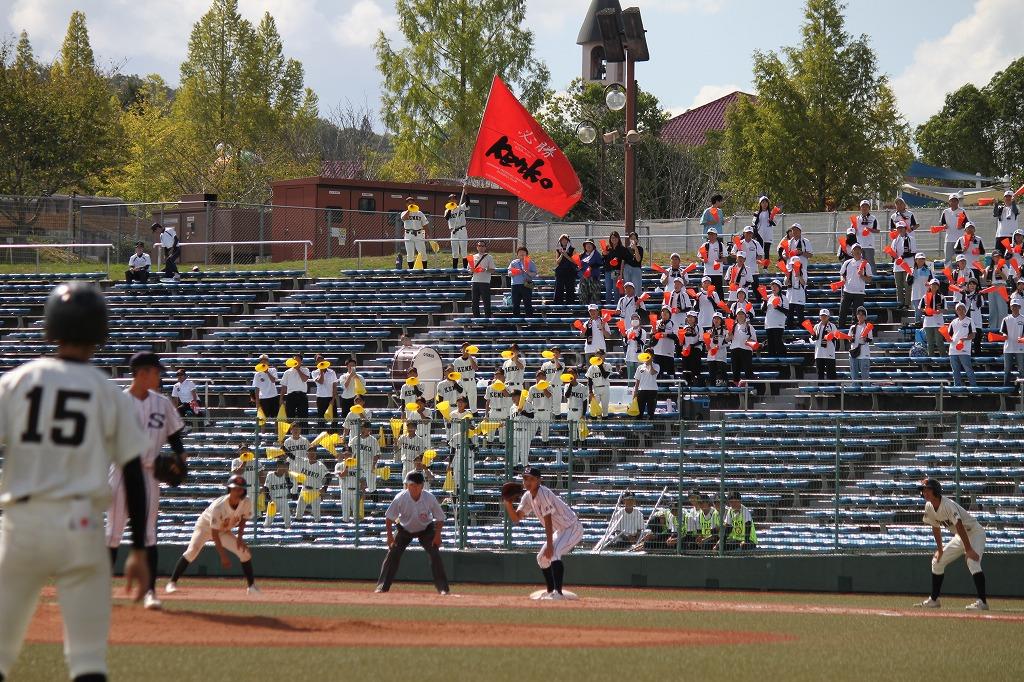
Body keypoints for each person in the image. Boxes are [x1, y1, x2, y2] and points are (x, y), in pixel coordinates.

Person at [0, 283, 150, 682]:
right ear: (100, 333)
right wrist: (137, 549)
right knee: (87, 664)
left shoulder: (18, 380)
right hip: (81, 525)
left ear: (51, 328)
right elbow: (133, 473)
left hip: (21, 524)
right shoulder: (110, 393)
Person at [105, 352, 186, 611]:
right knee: (113, 533)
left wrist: (181, 460)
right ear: (142, 373)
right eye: (155, 371)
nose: (160, 375)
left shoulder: (162, 403)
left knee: (149, 534)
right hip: (119, 472)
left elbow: (175, 438)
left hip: (150, 473)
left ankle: (151, 592)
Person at [166, 475, 258, 595]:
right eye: (235, 488)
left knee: (244, 553)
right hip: (205, 527)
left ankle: (251, 587)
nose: (238, 491)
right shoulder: (218, 506)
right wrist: (223, 556)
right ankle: (172, 583)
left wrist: (240, 538)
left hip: (223, 530)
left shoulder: (246, 502)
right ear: (229, 489)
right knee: (192, 551)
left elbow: (244, 518)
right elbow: (214, 534)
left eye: (240, 488)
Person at [504, 467, 583, 599]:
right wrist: (507, 503)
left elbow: (548, 519)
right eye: (525, 478)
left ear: (539, 481)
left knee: (554, 552)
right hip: (561, 530)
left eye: (531, 479)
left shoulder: (543, 493)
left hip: (572, 527)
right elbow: (516, 518)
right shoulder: (527, 496)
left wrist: (550, 545)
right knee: (541, 559)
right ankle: (550, 590)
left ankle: (558, 593)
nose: (527, 482)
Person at [915, 478, 988, 610]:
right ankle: (934, 600)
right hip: (961, 536)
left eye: (927, 489)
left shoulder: (947, 504)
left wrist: (969, 549)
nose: (924, 493)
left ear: (935, 491)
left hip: (974, 533)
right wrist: (940, 549)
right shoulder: (929, 506)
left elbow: (959, 525)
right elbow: (935, 526)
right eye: (923, 490)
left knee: (972, 561)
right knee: (937, 561)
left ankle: (982, 602)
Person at [375, 471, 449, 594]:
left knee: (435, 555)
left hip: (426, 529)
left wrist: (437, 535)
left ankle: (443, 588)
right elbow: (389, 518)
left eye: (416, 485)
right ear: (407, 486)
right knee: (392, 554)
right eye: (410, 485)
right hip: (404, 529)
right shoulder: (400, 497)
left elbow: (440, 517)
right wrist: (389, 537)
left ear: (422, 486)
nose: (413, 488)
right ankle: (382, 586)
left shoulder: (429, 498)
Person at [514, 370, 554, 467]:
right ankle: (529, 453)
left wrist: (543, 387)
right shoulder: (532, 388)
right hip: (535, 412)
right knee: (531, 433)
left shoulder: (549, 386)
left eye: (542, 376)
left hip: (545, 411)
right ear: (536, 378)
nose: (540, 378)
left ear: (545, 377)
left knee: (545, 434)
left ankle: (545, 455)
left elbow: (549, 396)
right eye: (538, 376)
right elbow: (528, 401)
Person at [837, 244, 872, 328]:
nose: (857, 251)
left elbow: (869, 280)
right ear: (852, 252)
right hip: (847, 291)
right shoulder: (847, 262)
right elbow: (842, 274)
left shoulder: (865, 264)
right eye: (855, 249)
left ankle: (855, 332)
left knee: (857, 315)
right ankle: (840, 330)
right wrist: (842, 279)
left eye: (858, 249)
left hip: (859, 292)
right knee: (842, 312)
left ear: (861, 251)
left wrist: (862, 276)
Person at [293, 448, 331, 522]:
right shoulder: (303, 462)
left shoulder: (320, 465)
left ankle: (319, 531)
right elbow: (292, 456)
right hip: (304, 489)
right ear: (307, 454)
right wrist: (283, 448)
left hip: (315, 491)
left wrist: (325, 488)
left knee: (317, 515)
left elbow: (329, 476)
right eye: (309, 453)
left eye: (313, 453)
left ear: (315, 454)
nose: (311, 455)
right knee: (298, 513)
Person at [947, 302, 978, 388]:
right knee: (955, 371)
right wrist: (948, 339)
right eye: (958, 309)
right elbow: (949, 335)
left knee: (968, 369)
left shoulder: (969, 320)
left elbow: (973, 334)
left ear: (965, 310)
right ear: (956, 311)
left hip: (964, 349)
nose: (960, 311)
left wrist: (965, 339)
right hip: (953, 349)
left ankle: (974, 387)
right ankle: (957, 388)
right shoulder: (953, 322)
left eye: (962, 309)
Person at [890, 220, 916, 312]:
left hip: (908, 265)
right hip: (897, 266)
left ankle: (907, 303)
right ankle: (900, 303)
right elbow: (893, 253)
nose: (900, 230)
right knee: (899, 286)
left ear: (905, 228)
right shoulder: (895, 240)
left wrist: (902, 257)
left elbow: (913, 252)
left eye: (902, 228)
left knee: (907, 285)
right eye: (898, 228)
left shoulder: (911, 238)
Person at [954, 279, 985, 356]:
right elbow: (962, 306)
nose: (972, 286)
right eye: (970, 284)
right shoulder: (964, 294)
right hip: (967, 321)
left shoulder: (979, 295)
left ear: (976, 286)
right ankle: (969, 356)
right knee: (968, 341)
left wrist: (978, 296)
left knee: (977, 341)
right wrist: (964, 295)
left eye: (974, 284)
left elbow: (981, 305)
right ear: (967, 285)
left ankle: (978, 359)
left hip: (976, 320)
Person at [733, 225, 765, 299]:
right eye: (747, 233)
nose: (749, 234)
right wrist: (738, 255)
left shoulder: (756, 243)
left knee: (756, 289)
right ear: (744, 233)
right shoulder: (739, 243)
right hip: (741, 270)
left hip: (753, 269)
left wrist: (758, 259)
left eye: (750, 233)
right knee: (741, 288)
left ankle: (759, 304)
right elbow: (732, 253)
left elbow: (760, 254)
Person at [261, 457, 293, 528]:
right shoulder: (270, 475)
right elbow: (266, 488)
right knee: (268, 522)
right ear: (278, 466)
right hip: (273, 500)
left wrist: (287, 476)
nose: (285, 467)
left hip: (284, 500)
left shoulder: (287, 475)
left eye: (285, 466)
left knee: (288, 522)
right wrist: (269, 500)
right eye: (283, 465)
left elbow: (290, 486)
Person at [251, 355, 279, 435]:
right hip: (263, 398)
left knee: (276, 417)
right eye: (262, 361)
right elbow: (256, 388)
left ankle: (276, 435)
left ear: (268, 362)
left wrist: (267, 372)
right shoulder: (257, 374)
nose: (263, 362)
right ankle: (263, 435)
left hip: (273, 396)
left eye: (265, 360)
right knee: (263, 418)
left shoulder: (273, 370)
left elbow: (273, 381)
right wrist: (257, 401)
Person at [727, 308, 756, 385]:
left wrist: (749, 341)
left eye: (742, 314)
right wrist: (729, 335)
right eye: (739, 314)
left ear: (745, 315)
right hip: (734, 349)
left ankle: (751, 387)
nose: (740, 315)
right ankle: (737, 389)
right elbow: (727, 340)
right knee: (735, 371)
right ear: (736, 316)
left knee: (748, 370)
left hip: (746, 350)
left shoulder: (750, 327)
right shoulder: (732, 326)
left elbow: (754, 341)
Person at [400, 197, 430, 269]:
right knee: (410, 254)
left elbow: (425, 224)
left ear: (415, 203)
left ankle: (424, 270)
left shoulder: (420, 213)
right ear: (406, 204)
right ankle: (411, 271)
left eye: (412, 202)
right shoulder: (404, 213)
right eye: (408, 203)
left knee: (422, 253)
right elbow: (404, 218)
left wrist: (427, 234)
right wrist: (409, 210)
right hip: (408, 234)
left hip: (419, 234)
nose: (410, 204)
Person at [484, 369, 512, 445]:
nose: (497, 377)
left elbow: (507, 395)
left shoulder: (507, 387)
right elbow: (487, 401)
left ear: (503, 377)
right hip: (493, 411)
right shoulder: (489, 387)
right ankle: (488, 455)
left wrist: (501, 387)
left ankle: (502, 456)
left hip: (503, 411)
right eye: (496, 376)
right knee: (490, 434)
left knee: (503, 435)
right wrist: (486, 415)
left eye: (499, 376)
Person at [311, 355, 338, 432]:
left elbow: (335, 386)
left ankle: (334, 434)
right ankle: (321, 436)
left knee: (334, 418)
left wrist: (333, 399)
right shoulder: (314, 372)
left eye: (322, 360)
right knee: (321, 418)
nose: (321, 362)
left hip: (330, 397)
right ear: (316, 362)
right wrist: (321, 371)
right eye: (318, 360)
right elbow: (321, 381)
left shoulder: (332, 372)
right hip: (321, 398)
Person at [279, 354, 310, 423]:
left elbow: (305, 379)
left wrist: (298, 369)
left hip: (302, 395)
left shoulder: (305, 370)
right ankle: (290, 433)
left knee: (303, 416)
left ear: (301, 361)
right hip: (291, 396)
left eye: (298, 360)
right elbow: (284, 386)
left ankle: (304, 433)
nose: (296, 361)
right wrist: (281, 398)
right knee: (289, 416)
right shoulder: (287, 372)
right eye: (295, 360)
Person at [508, 246, 537, 317]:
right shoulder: (513, 262)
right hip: (515, 285)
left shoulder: (530, 262)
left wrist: (528, 272)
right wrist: (516, 272)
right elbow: (509, 274)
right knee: (515, 304)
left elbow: (534, 274)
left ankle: (529, 321)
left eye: (523, 252)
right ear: (517, 254)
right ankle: (517, 321)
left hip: (527, 285)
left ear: (526, 254)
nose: (521, 254)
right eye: (519, 252)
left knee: (527, 304)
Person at [939, 193, 968, 265]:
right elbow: (942, 222)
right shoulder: (946, 211)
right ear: (949, 202)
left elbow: (967, 223)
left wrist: (962, 226)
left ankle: (959, 274)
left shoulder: (961, 211)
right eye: (952, 201)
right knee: (947, 259)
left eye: (955, 201)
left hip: (959, 239)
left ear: (958, 202)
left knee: (960, 258)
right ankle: (949, 275)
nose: (953, 202)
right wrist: (944, 225)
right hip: (949, 238)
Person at [469, 241, 496, 317]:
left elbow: (493, 270)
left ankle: (487, 320)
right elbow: (469, 270)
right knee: (474, 302)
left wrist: (485, 269)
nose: (481, 247)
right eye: (479, 246)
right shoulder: (472, 257)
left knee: (486, 302)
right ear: (477, 247)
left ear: (485, 247)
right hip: (475, 281)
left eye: (483, 246)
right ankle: (477, 320)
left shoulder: (489, 257)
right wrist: (472, 270)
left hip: (485, 282)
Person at [920, 279, 946, 357]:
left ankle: (943, 361)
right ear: (930, 286)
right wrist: (927, 310)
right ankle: (930, 361)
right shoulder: (925, 296)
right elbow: (921, 308)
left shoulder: (941, 297)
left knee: (939, 342)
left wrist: (939, 311)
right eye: (932, 284)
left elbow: (945, 309)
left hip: (938, 322)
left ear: (938, 286)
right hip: (928, 323)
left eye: (936, 284)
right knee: (930, 343)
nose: (934, 286)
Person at [563, 368, 589, 445]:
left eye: (573, 373)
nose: (571, 375)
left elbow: (585, 401)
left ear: (576, 375)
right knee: (572, 435)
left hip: (579, 411)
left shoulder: (582, 387)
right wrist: (571, 384)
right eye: (569, 373)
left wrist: (583, 414)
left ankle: (584, 453)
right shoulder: (567, 386)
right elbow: (567, 396)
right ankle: (574, 454)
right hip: (570, 411)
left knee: (582, 434)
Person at [651, 306, 677, 380]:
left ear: (670, 314)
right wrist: (654, 333)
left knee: (670, 372)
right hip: (657, 351)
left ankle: (671, 387)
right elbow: (651, 335)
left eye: (666, 312)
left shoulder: (673, 323)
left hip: (668, 351)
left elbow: (676, 336)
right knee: (658, 372)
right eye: (663, 312)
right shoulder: (656, 322)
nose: (664, 313)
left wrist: (666, 335)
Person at [601, 232, 628, 304]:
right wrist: (603, 254)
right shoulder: (607, 248)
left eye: (615, 237)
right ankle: (608, 306)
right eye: (612, 237)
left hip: (616, 270)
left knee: (616, 289)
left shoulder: (622, 249)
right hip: (608, 270)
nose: (614, 239)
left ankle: (617, 306)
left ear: (618, 238)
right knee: (608, 289)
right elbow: (603, 259)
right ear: (610, 239)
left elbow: (623, 262)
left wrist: (621, 274)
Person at [854, 199, 879, 274]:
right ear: (860, 208)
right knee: (860, 262)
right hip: (859, 244)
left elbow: (877, 230)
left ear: (869, 208)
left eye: (866, 206)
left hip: (869, 244)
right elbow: (852, 231)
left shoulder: (873, 218)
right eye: (863, 206)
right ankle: (862, 279)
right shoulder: (856, 219)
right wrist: (854, 230)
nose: (864, 208)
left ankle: (873, 279)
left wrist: (869, 229)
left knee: (870, 262)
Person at [763, 280, 788, 356]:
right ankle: (772, 362)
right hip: (768, 324)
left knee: (778, 342)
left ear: (780, 288)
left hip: (778, 324)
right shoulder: (768, 297)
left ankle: (783, 359)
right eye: (772, 286)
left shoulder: (783, 298)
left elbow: (787, 311)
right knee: (770, 344)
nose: (774, 287)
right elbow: (763, 310)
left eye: (776, 286)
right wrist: (764, 302)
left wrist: (777, 307)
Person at [848, 306, 873, 384]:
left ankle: (866, 392)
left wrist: (865, 338)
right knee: (854, 375)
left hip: (864, 353)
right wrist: (850, 338)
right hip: (854, 353)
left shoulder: (868, 327)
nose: (860, 316)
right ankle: (855, 392)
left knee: (865, 375)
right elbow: (849, 339)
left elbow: (870, 339)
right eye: (859, 314)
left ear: (865, 316)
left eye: (862, 314)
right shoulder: (852, 327)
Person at [444, 193, 469, 269]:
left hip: (462, 230)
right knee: (455, 252)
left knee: (464, 251)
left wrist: (466, 193)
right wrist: (451, 209)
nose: (452, 200)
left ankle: (465, 269)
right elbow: (446, 218)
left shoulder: (461, 207)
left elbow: (468, 202)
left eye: (454, 199)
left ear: (457, 200)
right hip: (453, 231)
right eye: (450, 199)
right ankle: (454, 270)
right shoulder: (447, 210)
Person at [679, 310, 704, 386]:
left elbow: (701, 340)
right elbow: (682, 341)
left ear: (695, 318)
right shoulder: (684, 328)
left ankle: (697, 385)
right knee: (686, 369)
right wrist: (681, 342)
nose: (690, 319)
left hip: (696, 350)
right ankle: (687, 384)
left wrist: (692, 346)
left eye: (692, 317)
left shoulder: (699, 327)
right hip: (686, 351)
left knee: (695, 368)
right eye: (688, 317)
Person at [632, 352, 660, 419]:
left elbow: (652, 373)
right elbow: (637, 381)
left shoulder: (656, 366)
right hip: (641, 391)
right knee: (639, 413)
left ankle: (651, 428)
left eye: (649, 355)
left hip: (652, 391)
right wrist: (635, 393)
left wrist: (650, 364)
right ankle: (639, 428)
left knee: (651, 412)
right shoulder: (640, 367)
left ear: (652, 356)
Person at [452, 343, 479, 412]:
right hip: (461, 382)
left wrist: (470, 357)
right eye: (464, 348)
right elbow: (454, 374)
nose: (465, 350)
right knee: (460, 401)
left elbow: (475, 368)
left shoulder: (473, 359)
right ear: (461, 350)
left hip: (471, 381)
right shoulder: (457, 361)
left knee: (473, 403)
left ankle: (474, 421)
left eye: (467, 348)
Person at [813, 309, 838, 380]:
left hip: (829, 352)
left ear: (828, 317)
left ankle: (832, 389)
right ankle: (820, 389)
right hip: (819, 353)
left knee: (831, 373)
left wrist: (831, 336)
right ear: (819, 316)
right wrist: (813, 335)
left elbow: (836, 337)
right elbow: (813, 338)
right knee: (819, 373)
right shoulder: (816, 326)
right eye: (822, 315)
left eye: (825, 316)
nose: (823, 317)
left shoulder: (832, 326)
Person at [910, 254, 935, 326]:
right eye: (919, 259)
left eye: (923, 259)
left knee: (927, 312)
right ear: (915, 260)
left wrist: (929, 283)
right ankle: (918, 329)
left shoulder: (928, 270)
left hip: (926, 295)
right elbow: (908, 282)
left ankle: (927, 327)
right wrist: (912, 275)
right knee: (918, 313)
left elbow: (932, 281)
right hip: (916, 295)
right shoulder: (911, 270)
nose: (921, 260)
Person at [578, 239, 604, 306]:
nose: (588, 246)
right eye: (587, 245)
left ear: (593, 246)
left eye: (590, 244)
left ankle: (595, 311)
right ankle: (584, 310)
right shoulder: (582, 255)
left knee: (594, 296)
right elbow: (579, 266)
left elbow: (600, 263)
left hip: (594, 278)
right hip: (584, 279)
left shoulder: (596, 254)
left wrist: (592, 266)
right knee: (583, 295)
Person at [586, 349, 611, 418]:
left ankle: (604, 424)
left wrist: (599, 364)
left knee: (605, 408)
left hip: (605, 388)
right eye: (597, 354)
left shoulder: (607, 365)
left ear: (603, 356)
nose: (599, 356)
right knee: (594, 408)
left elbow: (605, 375)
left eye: (600, 354)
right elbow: (589, 380)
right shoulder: (592, 367)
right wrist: (590, 391)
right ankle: (593, 425)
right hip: (596, 388)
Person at [553, 234, 577, 304]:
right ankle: (558, 304)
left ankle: (570, 303)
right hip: (561, 271)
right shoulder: (558, 250)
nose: (564, 241)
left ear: (568, 241)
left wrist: (566, 255)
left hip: (570, 271)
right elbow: (557, 262)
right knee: (559, 288)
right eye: (562, 240)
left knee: (570, 288)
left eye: (565, 239)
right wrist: (561, 254)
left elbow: (575, 261)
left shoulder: (572, 249)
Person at [783, 255, 807, 329]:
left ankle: (802, 333)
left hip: (799, 295)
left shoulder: (803, 271)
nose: (794, 265)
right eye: (792, 264)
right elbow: (785, 283)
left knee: (800, 315)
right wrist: (787, 277)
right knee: (789, 315)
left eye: (796, 264)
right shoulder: (789, 272)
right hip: (790, 296)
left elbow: (804, 283)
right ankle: (790, 332)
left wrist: (799, 276)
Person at [623, 312, 648, 379]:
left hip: (639, 357)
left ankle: (639, 389)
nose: (634, 320)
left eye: (636, 319)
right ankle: (630, 389)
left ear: (639, 321)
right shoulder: (628, 331)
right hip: (630, 357)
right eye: (633, 319)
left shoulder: (643, 331)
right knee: (630, 377)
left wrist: (635, 337)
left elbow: (642, 343)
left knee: (639, 377)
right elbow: (625, 344)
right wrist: (625, 337)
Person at [705, 313, 729, 385]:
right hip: (711, 358)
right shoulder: (708, 332)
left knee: (721, 377)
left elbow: (728, 343)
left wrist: (719, 346)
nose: (716, 320)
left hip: (721, 357)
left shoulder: (725, 331)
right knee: (712, 377)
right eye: (715, 318)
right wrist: (708, 346)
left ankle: (722, 393)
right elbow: (707, 347)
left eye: (718, 319)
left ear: (721, 320)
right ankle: (713, 393)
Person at [539, 347, 565, 412]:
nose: (554, 354)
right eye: (553, 352)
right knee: (547, 408)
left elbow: (558, 368)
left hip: (556, 387)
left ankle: (557, 422)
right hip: (547, 387)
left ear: (559, 354)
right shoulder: (545, 365)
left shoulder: (562, 364)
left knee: (557, 409)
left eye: (556, 352)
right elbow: (541, 376)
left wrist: (555, 359)